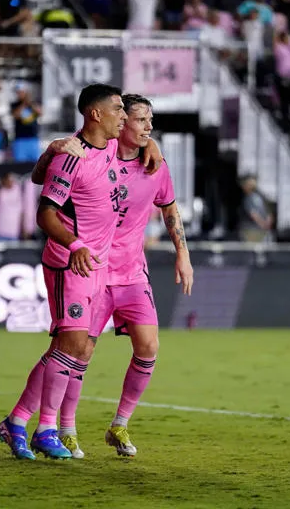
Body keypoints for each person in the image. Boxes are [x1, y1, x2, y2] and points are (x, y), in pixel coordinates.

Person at [0, 85, 164, 461]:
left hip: (97, 266)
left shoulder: (108, 146)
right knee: (70, 345)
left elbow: (137, 144)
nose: (125, 116)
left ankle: (20, 422)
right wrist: (75, 245)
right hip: (69, 261)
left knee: (70, 348)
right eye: (119, 110)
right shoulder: (72, 155)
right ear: (96, 115)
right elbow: (44, 213)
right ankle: (43, 427)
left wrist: (152, 145)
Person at [32, 95, 194, 458]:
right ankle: (67, 428)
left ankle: (120, 424)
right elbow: (52, 175)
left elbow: (169, 209)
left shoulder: (155, 165)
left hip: (133, 273)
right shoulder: (95, 155)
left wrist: (183, 253)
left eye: (149, 121)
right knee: (80, 351)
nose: (147, 127)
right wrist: (54, 147)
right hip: (93, 270)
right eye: (139, 119)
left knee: (149, 346)